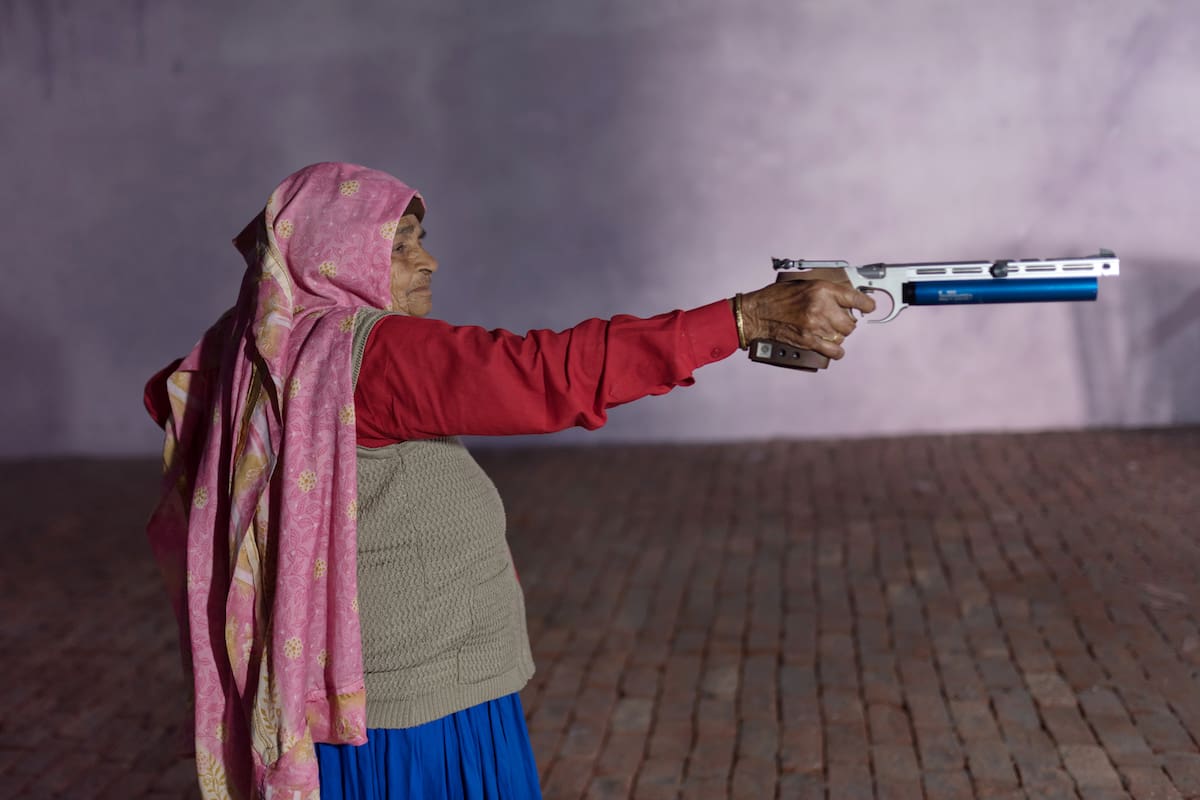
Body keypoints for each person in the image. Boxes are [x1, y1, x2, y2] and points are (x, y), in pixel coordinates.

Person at [143, 161, 874, 800]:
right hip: (411, 711)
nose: (427, 263)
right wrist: (743, 319)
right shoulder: (370, 354)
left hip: (381, 686)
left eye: (420, 242)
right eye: (397, 249)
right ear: (330, 257)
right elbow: (547, 375)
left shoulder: (263, 342)